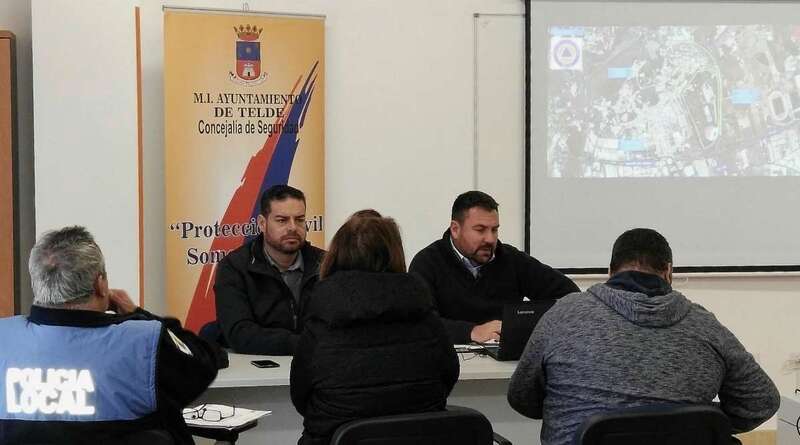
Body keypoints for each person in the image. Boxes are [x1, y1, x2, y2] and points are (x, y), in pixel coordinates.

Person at [507, 228, 780, 445]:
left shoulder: (564, 314)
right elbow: (761, 401)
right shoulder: (705, 325)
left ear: (611, 271)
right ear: (669, 272)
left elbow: (521, 397)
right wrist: (697, 422)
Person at [0, 226, 218, 444]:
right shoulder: (143, 342)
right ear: (100, 284)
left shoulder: (4, 338)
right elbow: (203, 363)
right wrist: (138, 314)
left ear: (37, 283)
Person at [290, 211, 460, 445]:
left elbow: (301, 396)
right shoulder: (425, 316)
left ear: (337, 255)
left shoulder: (322, 320)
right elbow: (449, 375)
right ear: (395, 254)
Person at [409, 190, 579, 344]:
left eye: (494, 230)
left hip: (505, 363)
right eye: (480, 230)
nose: (490, 239)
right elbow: (420, 323)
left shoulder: (511, 259)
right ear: (455, 229)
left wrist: (527, 325)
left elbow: (570, 296)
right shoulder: (427, 263)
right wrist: (472, 331)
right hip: (451, 363)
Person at [215, 185, 324, 355]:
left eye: (300, 219)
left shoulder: (326, 264)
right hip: (256, 370)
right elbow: (240, 333)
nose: (293, 227)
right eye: (282, 220)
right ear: (262, 223)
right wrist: (305, 344)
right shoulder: (234, 267)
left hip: (319, 366)